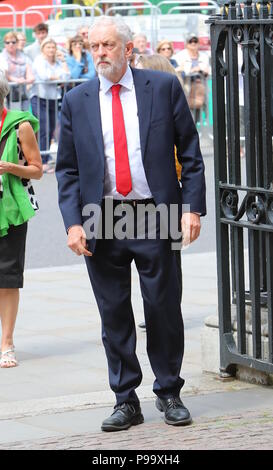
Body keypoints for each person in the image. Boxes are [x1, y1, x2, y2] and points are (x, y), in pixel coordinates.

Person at [56, 16, 206, 432]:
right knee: (114, 312)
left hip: (154, 211)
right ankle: (125, 399)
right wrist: (72, 223)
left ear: (126, 48)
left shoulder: (161, 88)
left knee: (162, 307)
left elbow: (190, 154)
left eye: (107, 45)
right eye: (94, 46)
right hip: (101, 215)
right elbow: (66, 170)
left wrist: (191, 208)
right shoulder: (77, 99)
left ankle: (169, 392)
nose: (100, 53)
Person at [136, 53, 183, 330]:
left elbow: (182, 158)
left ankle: (169, 309)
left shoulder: (170, 106)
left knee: (170, 259)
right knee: (148, 259)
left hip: (168, 192)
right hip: (141, 197)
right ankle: (154, 310)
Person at [0, 74, 42, 368]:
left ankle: (7, 342)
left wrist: (12, 167)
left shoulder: (20, 126)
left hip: (11, 210)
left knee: (7, 279)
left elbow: (38, 169)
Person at [30, 37, 70, 173]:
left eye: (53, 47)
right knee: (43, 129)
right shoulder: (39, 61)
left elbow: (67, 77)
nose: (51, 50)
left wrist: (63, 62)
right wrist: (58, 77)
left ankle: (45, 157)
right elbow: (44, 76)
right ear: (43, 49)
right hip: (39, 98)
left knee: (51, 128)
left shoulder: (58, 62)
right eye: (48, 47)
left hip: (53, 98)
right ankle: (42, 160)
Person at [175, 34, 210, 123]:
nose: (193, 43)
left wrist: (202, 70)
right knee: (187, 114)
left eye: (195, 41)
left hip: (200, 88)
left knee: (199, 112)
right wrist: (192, 70)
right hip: (186, 88)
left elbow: (209, 70)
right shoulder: (179, 56)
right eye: (190, 41)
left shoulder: (204, 56)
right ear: (186, 44)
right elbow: (177, 71)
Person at [0, 32, 34, 111]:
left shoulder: (23, 56)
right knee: (14, 115)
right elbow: (5, 74)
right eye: (7, 42)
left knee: (24, 115)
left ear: (17, 43)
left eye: (13, 42)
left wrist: (28, 79)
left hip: (23, 91)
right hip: (8, 92)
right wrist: (17, 80)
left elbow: (29, 70)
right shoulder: (2, 57)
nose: (10, 44)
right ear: (4, 44)